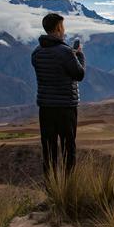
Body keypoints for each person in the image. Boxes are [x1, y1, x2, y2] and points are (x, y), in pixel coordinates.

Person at [31, 13, 85, 176]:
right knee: (69, 147)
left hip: (45, 107)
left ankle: (51, 186)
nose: (64, 30)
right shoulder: (65, 52)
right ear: (57, 28)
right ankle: (69, 186)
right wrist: (79, 56)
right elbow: (79, 75)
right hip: (65, 107)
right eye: (62, 26)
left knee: (49, 148)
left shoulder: (36, 53)